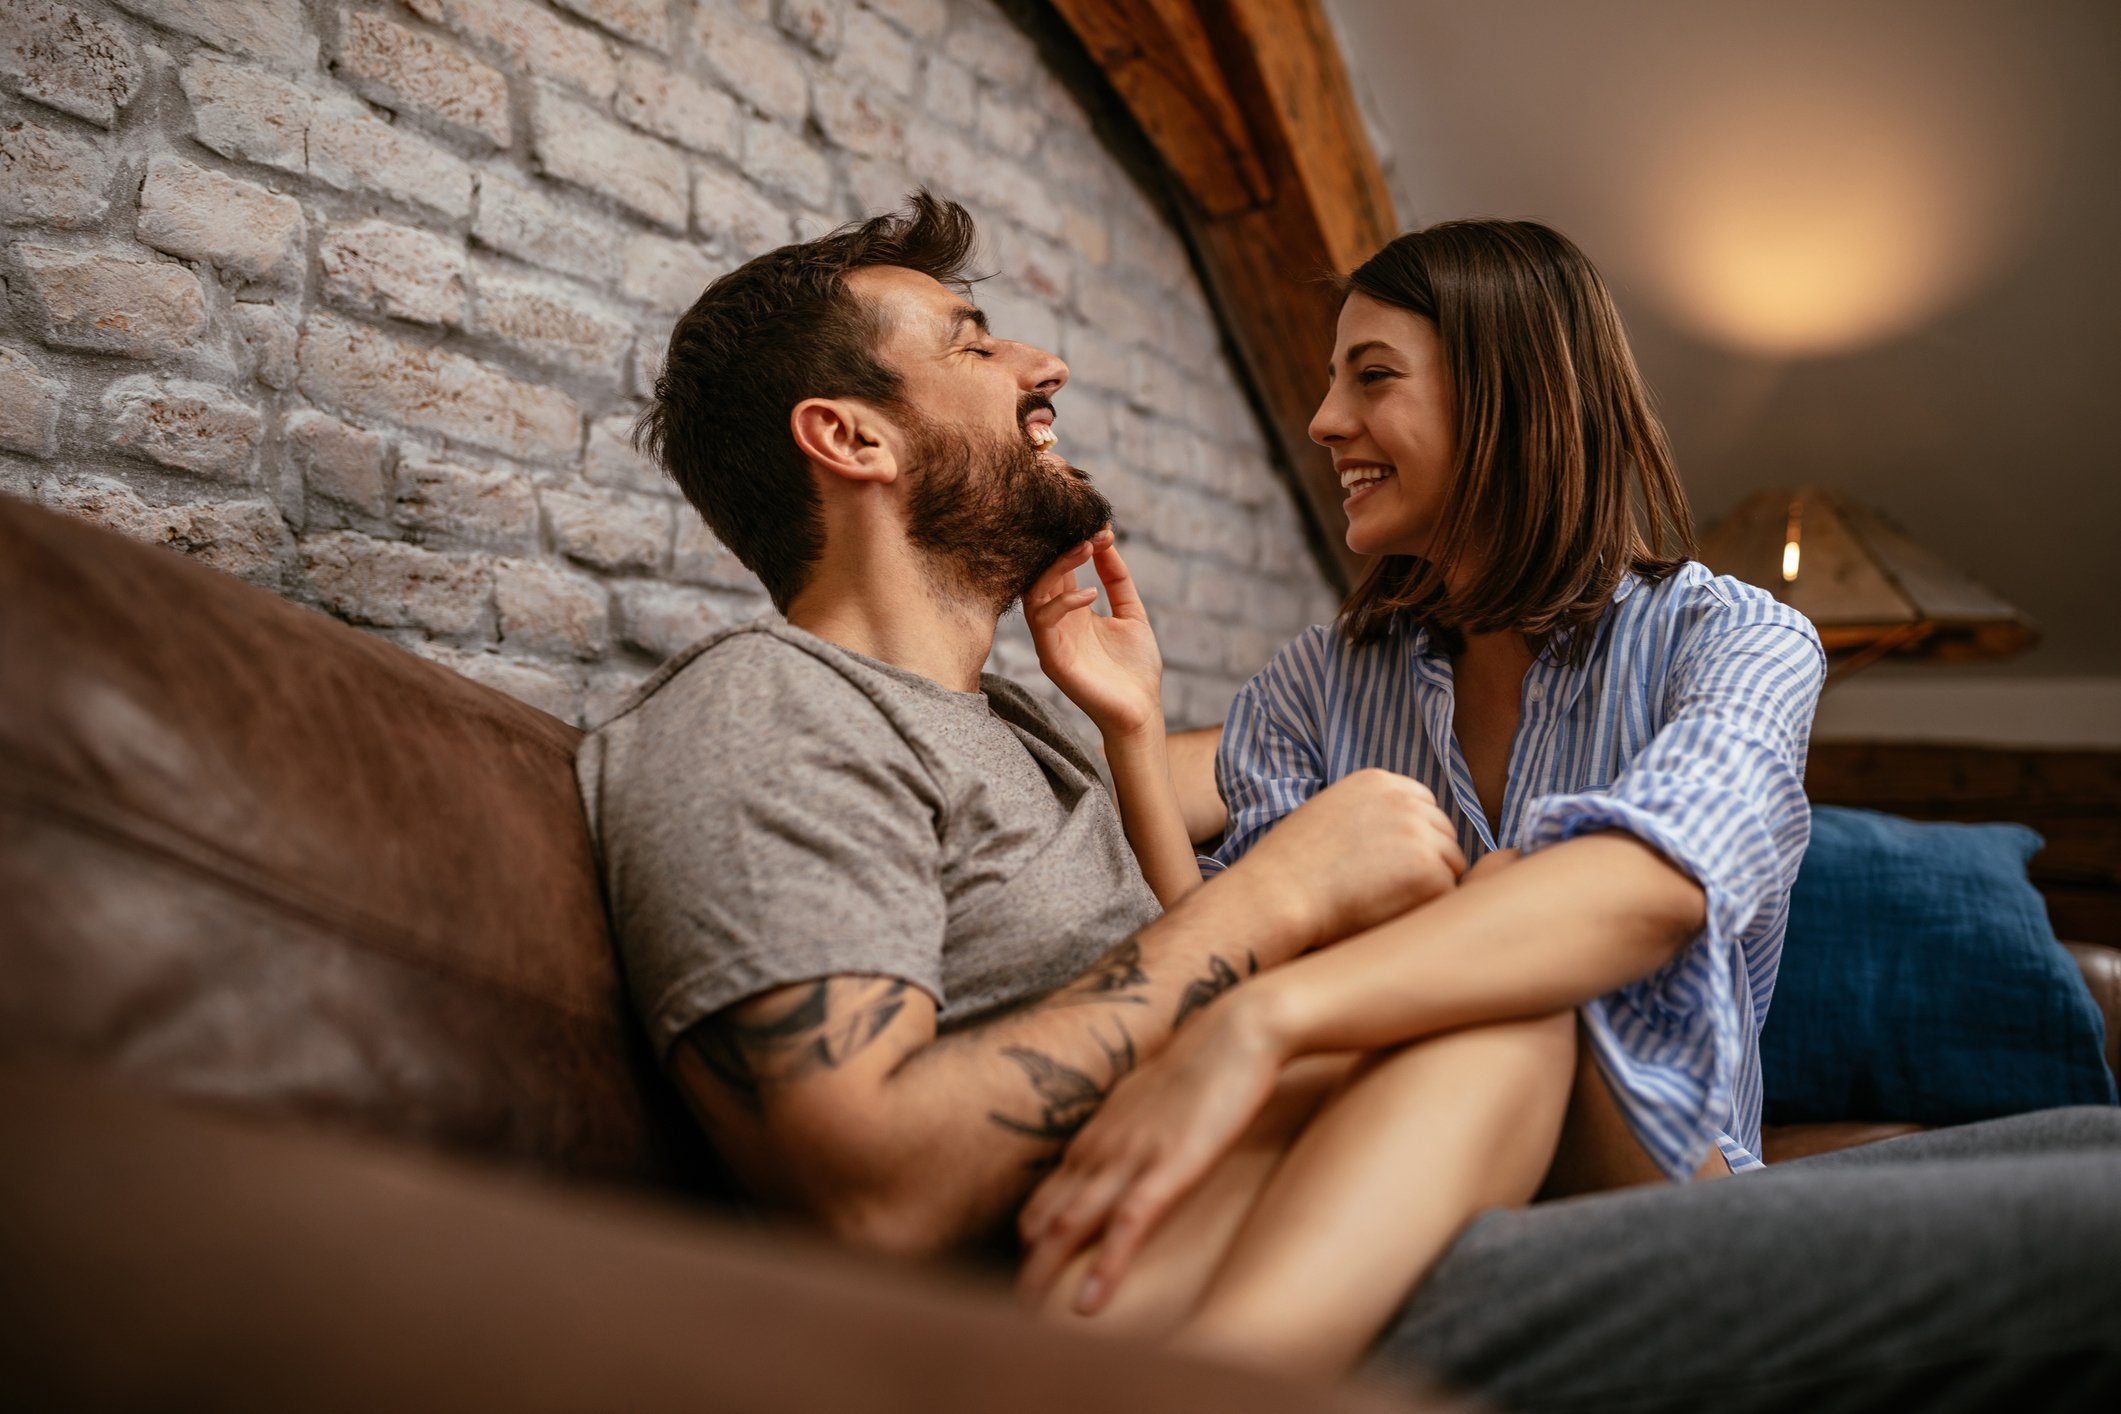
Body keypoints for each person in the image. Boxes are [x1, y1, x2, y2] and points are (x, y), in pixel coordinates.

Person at [578, 194, 2121, 1410]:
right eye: (975, 341)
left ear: (1508, 398)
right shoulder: (761, 709)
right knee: (1494, 948)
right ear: (848, 435)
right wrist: (1269, 903)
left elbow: (1312, 945)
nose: (1040, 365)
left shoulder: (1022, 736)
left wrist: (1130, 750)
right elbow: (891, 1171)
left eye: (1366, 377)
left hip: (1454, 1165)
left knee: (2066, 1145)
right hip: (1321, 1216)